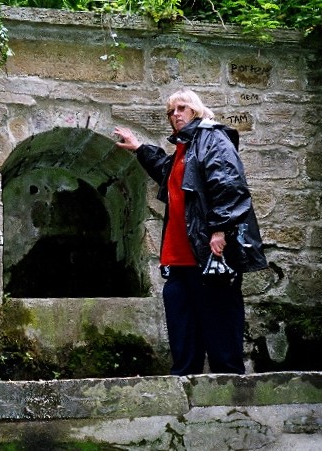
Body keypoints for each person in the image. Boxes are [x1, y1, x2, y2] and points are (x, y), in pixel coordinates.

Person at [113, 88, 267, 375]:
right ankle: (186, 389)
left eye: (181, 108)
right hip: (178, 258)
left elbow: (229, 183)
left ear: (196, 110)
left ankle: (230, 390)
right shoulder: (183, 149)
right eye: (171, 112)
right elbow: (166, 171)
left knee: (219, 322)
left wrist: (220, 229)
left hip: (207, 253)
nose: (175, 115)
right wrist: (139, 148)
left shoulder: (212, 138)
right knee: (183, 328)